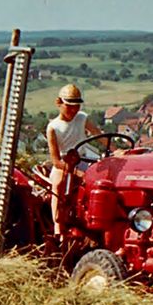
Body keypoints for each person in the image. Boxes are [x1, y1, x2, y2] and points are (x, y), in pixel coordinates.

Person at [46, 83, 103, 235]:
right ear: (59, 103)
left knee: (102, 181)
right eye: (69, 106)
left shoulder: (82, 118)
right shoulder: (53, 127)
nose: (73, 110)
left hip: (84, 159)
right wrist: (76, 173)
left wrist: (116, 150)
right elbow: (56, 161)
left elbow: (99, 136)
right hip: (64, 164)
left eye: (76, 106)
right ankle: (57, 225)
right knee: (58, 184)